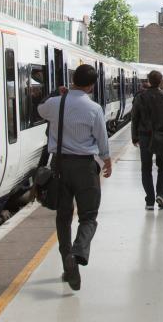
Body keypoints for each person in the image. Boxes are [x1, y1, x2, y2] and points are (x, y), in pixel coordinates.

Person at [37, 64, 112, 292]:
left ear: (72, 81)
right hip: (85, 168)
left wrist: (56, 94)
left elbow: (40, 110)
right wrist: (107, 159)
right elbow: (101, 137)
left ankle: (68, 263)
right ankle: (78, 252)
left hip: (59, 166)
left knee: (63, 217)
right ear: (91, 86)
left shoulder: (55, 103)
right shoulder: (93, 108)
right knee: (88, 216)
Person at [131, 70, 163, 210]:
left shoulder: (140, 97)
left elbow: (135, 118)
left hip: (145, 136)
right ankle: (161, 194)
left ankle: (150, 201)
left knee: (146, 168)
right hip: (162, 136)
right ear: (161, 81)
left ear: (149, 81)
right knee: (162, 166)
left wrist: (134, 137)